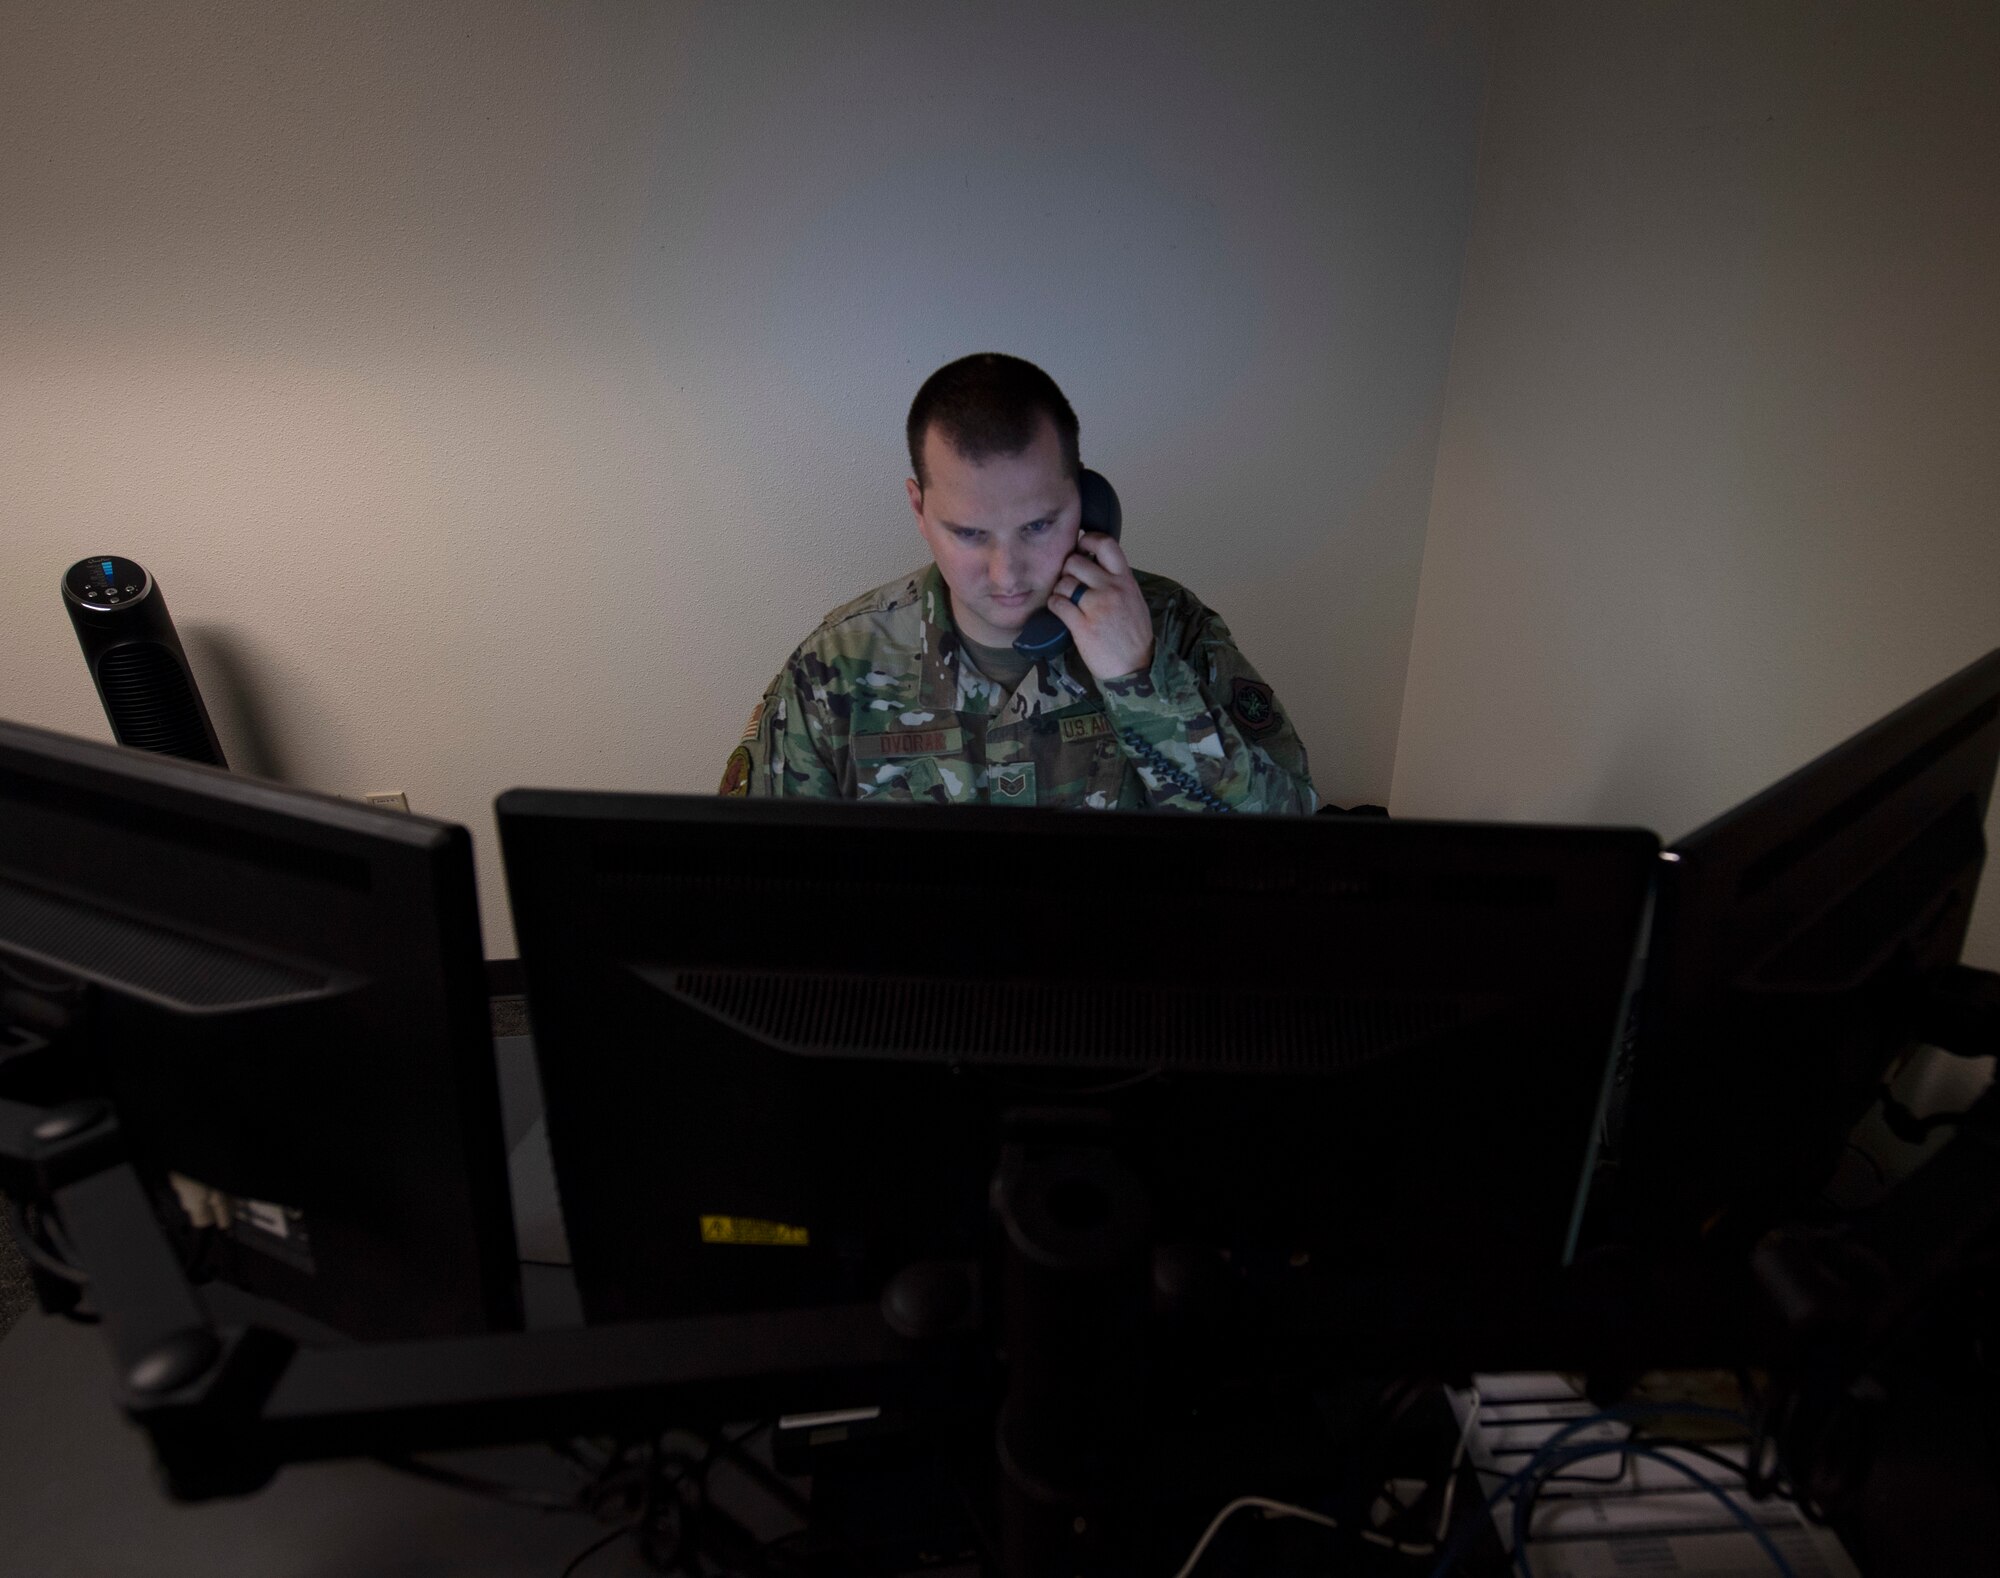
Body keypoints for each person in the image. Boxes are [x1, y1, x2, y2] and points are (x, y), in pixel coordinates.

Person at [720, 353, 1317, 813]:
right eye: (970, 534)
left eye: (1037, 525)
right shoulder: (838, 666)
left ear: (1086, 502)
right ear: (919, 509)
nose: (1007, 574)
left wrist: (1141, 684)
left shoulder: (1175, 630)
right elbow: (755, 884)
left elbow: (1287, 857)